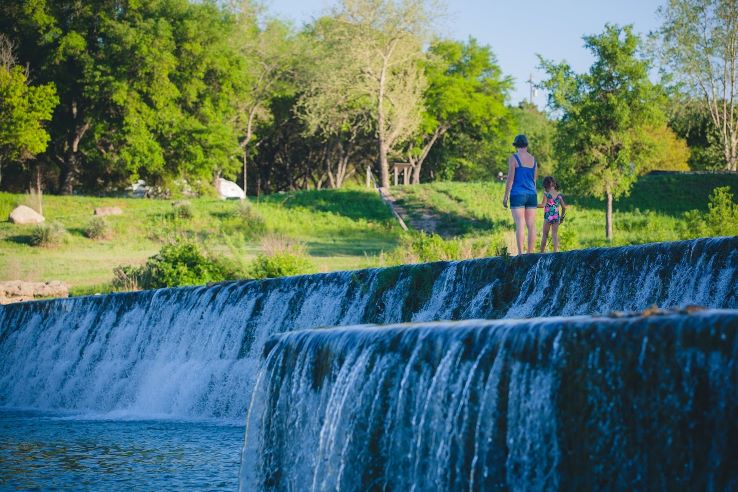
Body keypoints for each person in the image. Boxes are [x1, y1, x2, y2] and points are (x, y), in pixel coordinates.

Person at [502, 134, 538, 255]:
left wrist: (506, 196)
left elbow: (511, 178)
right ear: (527, 145)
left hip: (517, 194)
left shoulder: (513, 158)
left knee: (520, 223)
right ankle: (530, 253)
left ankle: (521, 253)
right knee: (531, 224)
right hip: (532, 194)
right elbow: (534, 179)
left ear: (516, 146)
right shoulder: (533, 159)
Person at [538, 176, 567, 253]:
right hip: (556, 217)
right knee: (554, 234)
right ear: (554, 184)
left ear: (546, 185)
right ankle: (555, 251)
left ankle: (541, 252)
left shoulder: (546, 194)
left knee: (545, 235)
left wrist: (532, 205)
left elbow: (543, 205)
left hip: (548, 216)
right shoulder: (559, 195)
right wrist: (562, 217)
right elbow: (564, 207)